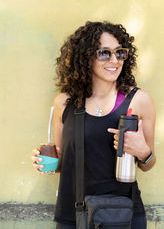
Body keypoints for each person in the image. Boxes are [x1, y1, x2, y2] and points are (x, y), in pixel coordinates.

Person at [31, 21, 156, 229]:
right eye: (104, 53)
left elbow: (148, 163)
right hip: (73, 215)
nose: (114, 60)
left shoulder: (139, 101)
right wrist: (44, 162)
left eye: (120, 53)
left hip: (122, 215)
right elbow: (64, 162)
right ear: (86, 57)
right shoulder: (64, 103)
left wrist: (143, 152)